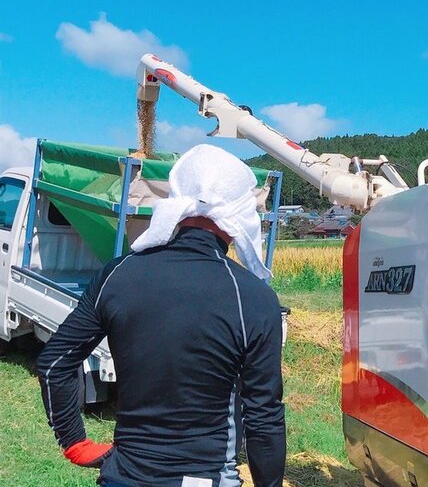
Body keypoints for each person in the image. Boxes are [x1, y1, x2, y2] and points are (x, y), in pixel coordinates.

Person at [37, 144, 285, 487]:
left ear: (176, 203)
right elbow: (263, 416)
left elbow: (55, 364)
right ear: (239, 214)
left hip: (124, 475)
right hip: (204, 477)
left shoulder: (118, 274)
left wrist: (75, 443)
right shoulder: (253, 298)